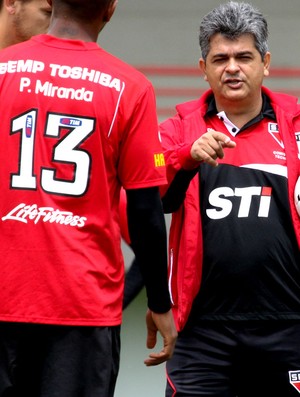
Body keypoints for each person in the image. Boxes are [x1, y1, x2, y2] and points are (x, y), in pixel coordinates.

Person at [0, 0, 177, 396]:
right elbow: (146, 211)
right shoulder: (130, 88)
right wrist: (160, 303)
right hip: (81, 309)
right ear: (111, 9)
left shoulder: (3, 69)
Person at [159, 2, 300, 396]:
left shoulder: (295, 128)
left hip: (288, 326)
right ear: (203, 68)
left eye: (244, 57)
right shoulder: (174, 131)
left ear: (266, 63)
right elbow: (147, 179)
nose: (232, 67)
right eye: (220, 58)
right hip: (202, 331)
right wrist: (183, 156)